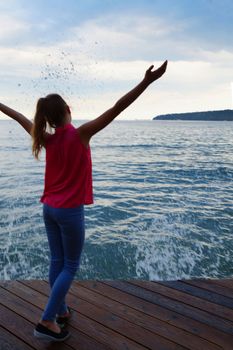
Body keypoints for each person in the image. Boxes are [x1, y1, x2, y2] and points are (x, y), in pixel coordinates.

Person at [0, 60, 167, 342]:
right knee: (70, 265)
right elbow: (117, 107)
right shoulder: (81, 135)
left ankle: (61, 311)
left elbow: (18, 117)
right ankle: (46, 321)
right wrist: (146, 82)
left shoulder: (45, 138)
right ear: (68, 111)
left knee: (57, 260)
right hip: (68, 211)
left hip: (48, 209)